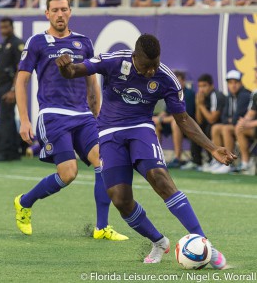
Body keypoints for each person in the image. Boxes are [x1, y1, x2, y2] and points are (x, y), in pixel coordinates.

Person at [55, 33, 236, 266]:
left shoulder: (166, 78)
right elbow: (73, 71)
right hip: (109, 133)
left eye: (155, 65)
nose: (151, 71)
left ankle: (206, 246)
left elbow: (182, 119)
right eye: (146, 66)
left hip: (140, 129)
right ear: (134, 57)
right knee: (120, 199)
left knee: (160, 179)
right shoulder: (114, 62)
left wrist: (212, 148)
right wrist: (64, 66)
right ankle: (159, 241)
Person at [14, 0, 128, 241]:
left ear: (70, 12)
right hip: (53, 115)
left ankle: (101, 227)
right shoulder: (36, 42)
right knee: (68, 173)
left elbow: (92, 81)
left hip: (83, 116)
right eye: (54, 10)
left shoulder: (83, 42)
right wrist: (23, 119)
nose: (60, 14)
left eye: (64, 9)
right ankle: (24, 202)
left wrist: (99, 114)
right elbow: (21, 82)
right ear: (47, 14)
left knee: (104, 162)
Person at [0, 17, 24, 162]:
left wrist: (14, 89)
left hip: (10, 85)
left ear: (12, 27)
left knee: (6, 119)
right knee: (6, 117)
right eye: (1, 27)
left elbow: (20, 68)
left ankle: (6, 152)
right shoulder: (2, 45)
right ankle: (14, 151)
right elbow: (1, 65)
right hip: (2, 84)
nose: (3, 30)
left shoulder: (17, 44)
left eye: (6, 27)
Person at [211, 70, 251, 174]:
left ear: (240, 83)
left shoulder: (244, 95)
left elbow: (236, 118)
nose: (233, 85)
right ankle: (219, 160)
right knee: (216, 128)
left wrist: (231, 120)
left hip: (245, 127)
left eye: (235, 82)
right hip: (236, 126)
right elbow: (224, 117)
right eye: (230, 83)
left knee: (226, 128)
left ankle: (228, 162)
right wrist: (230, 120)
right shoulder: (229, 96)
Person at [182, 74, 226, 170]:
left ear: (211, 86)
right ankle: (196, 161)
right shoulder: (201, 97)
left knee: (209, 129)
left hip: (221, 124)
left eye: (204, 86)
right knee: (195, 129)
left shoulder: (216, 95)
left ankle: (212, 160)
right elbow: (199, 120)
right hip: (209, 125)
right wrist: (198, 105)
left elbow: (212, 119)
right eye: (199, 86)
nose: (201, 89)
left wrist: (201, 106)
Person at [153, 70, 196, 168]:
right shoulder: (172, 93)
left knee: (175, 123)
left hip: (187, 126)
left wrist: (161, 120)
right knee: (155, 124)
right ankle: (156, 158)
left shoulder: (189, 94)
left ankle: (178, 158)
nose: (175, 83)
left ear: (184, 81)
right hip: (171, 121)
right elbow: (166, 111)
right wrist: (159, 118)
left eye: (178, 80)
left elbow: (183, 117)